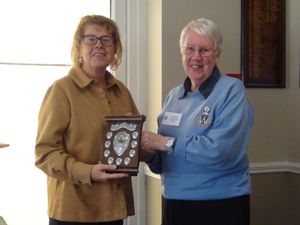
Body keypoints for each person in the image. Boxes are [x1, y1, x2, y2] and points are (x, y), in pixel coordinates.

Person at [141, 18, 254, 225]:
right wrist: (147, 153)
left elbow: (220, 151)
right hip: (174, 203)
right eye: (190, 49)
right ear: (181, 53)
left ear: (217, 55)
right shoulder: (174, 96)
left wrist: (163, 142)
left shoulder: (232, 91)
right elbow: (164, 161)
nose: (196, 57)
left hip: (219, 205)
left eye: (204, 50)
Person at [35, 15, 139, 225]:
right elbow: (44, 153)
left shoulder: (122, 92)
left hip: (113, 208)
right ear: (79, 46)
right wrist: (88, 172)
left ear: (115, 48)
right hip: (73, 211)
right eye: (91, 39)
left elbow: (133, 141)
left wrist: (147, 146)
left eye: (106, 39)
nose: (99, 45)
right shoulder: (62, 90)